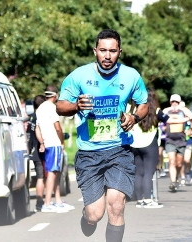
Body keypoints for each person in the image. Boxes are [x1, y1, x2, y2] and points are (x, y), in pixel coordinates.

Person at [56, 29, 148, 241]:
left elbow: (143, 104)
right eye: (103, 50)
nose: (107, 56)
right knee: (95, 213)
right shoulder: (78, 76)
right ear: (95, 51)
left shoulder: (131, 75)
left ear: (120, 52)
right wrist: (76, 105)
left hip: (119, 150)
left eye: (112, 51)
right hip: (89, 153)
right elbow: (60, 106)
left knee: (116, 205)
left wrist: (134, 117)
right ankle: (87, 216)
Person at [35, 85, 75, 213]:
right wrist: (62, 141)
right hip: (54, 143)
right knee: (52, 173)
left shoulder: (40, 109)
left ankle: (57, 201)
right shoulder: (53, 108)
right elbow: (58, 127)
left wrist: (42, 142)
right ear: (55, 95)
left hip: (47, 143)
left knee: (55, 173)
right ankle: (47, 203)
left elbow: (37, 129)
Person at [129, 88, 168, 208]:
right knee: (148, 173)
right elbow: (169, 120)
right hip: (149, 144)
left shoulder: (133, 110)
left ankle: (140, 200)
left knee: (138, 173)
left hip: (134, 145)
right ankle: (147, 199)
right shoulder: (156, 111)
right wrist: (188, 118)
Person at [163, 94, 192, 192]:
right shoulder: (166, 111)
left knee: (179, 164)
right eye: (172, 101)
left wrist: (190, 129)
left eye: (176, 102)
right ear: (170, 102)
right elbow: (159, 120)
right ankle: (173, 182)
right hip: (170, 140)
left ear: (179, 102)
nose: (174, 103)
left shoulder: (184, 110)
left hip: (181, 140)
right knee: (172, 161)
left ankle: (176, 177)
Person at [26, 95, 46, 211]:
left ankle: (40, 202)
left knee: (38, 177)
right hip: (40, 151)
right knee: (41, 177)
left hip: (32, 150)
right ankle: (40, 202)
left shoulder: (31, 118)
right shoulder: (41, 117)